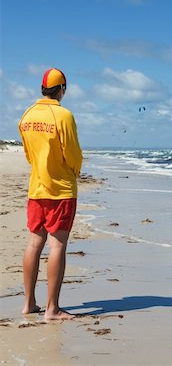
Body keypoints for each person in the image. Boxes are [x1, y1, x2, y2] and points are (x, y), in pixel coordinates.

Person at [18, 68, 83, 320]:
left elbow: (27, 155)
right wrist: (75, 171)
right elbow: (73, 154)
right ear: (62, 89)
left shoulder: (27, 115)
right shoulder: (63, 115)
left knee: (34, 243)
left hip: (37, 188)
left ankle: (28, 304)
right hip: (61, 190)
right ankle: (52, 308)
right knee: (57, 245)